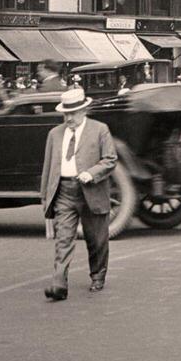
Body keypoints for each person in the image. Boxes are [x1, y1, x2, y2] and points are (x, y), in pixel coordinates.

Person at [40, 88, 118, 300]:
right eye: (65, 113)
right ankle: (59, 284)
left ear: (84, 110)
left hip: (91, 191)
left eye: (73, 113)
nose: (69, 118)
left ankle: (98, 276)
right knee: (63, 239)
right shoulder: (54, 134)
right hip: (64, 192)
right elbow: (48, 167)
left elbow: (110, 159)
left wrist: (91, 174)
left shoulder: (100, 130)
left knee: (96, 239)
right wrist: (45, 197)